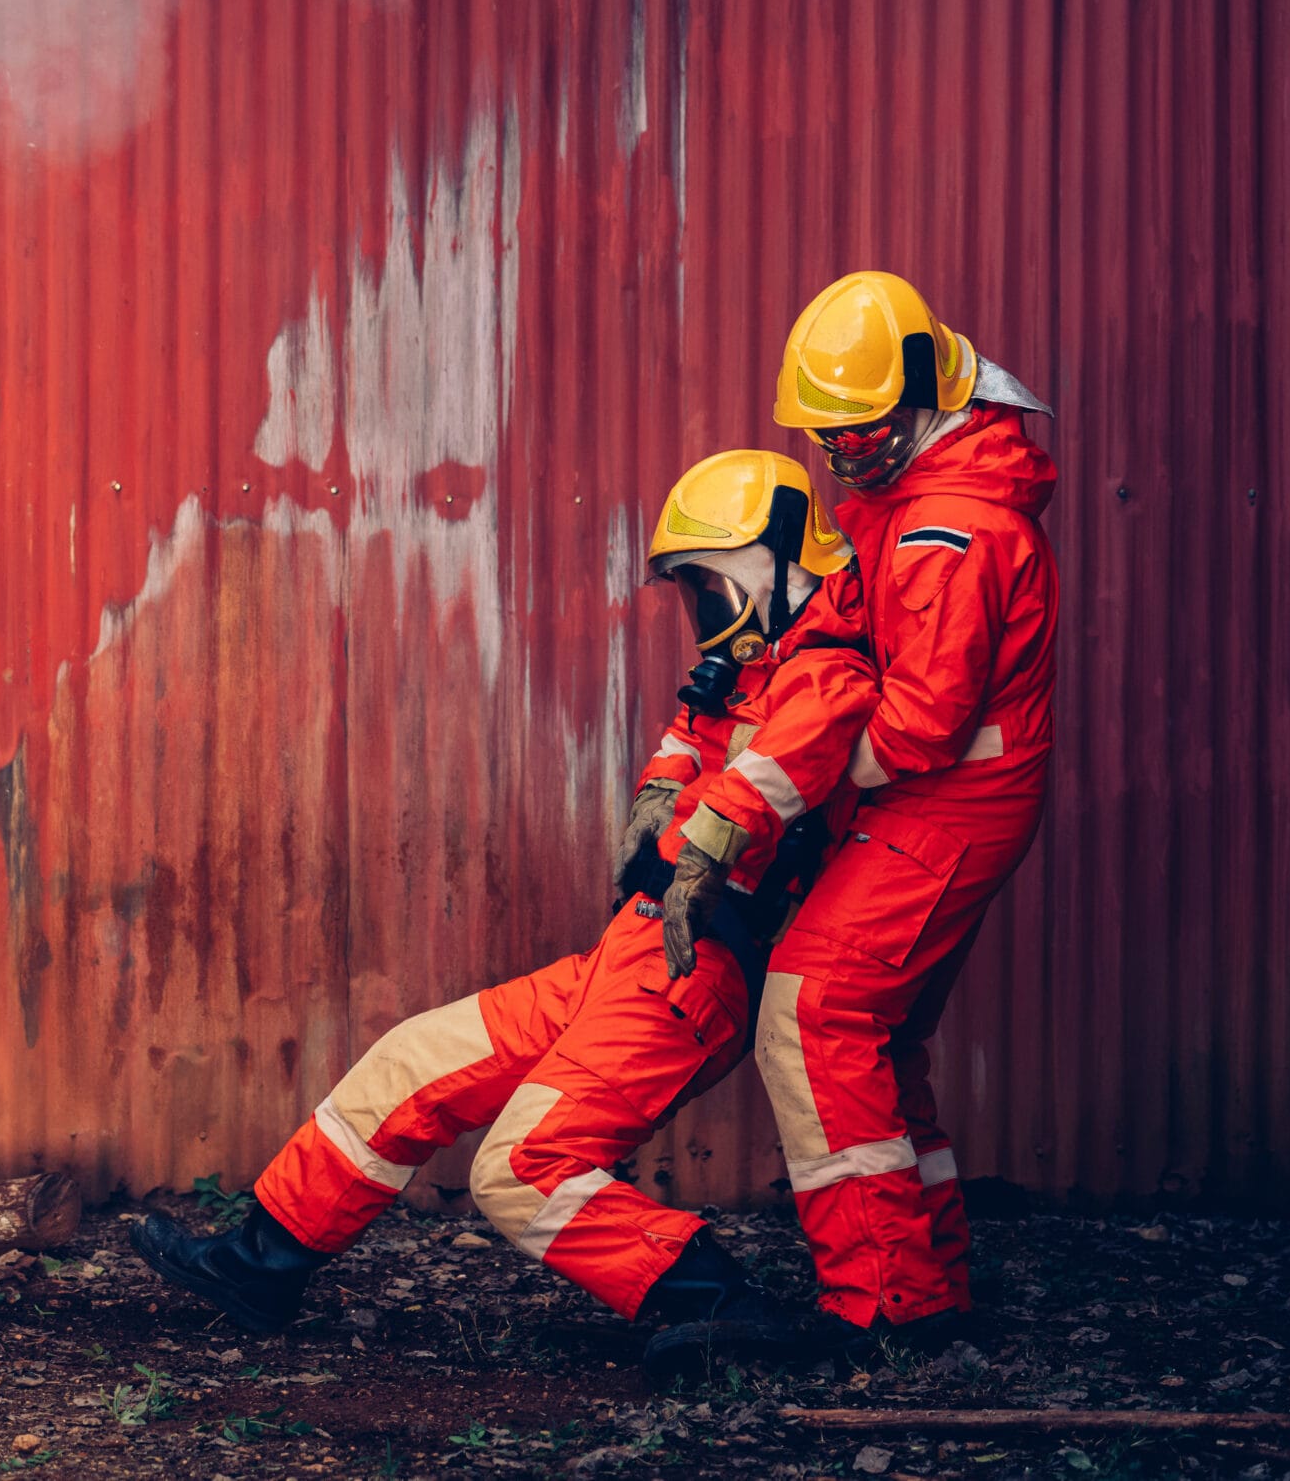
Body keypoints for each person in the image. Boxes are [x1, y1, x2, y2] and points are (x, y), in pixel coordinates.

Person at [130, 451, 877, 1381]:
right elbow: (696, 736)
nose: (704, 610)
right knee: (414, 1061)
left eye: (711, 585)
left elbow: (775, 776)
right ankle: (260, 1266)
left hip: (693, 971)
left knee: (522, 1168)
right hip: (631, 950)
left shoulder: (828, 673)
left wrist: (703, 849)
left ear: (777, 564)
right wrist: (658, 791)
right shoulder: (754, 675)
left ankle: (723, 1309)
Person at [669, 271, 1056, 1361]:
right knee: (876, 1036)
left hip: (944, 805)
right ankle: (925, 1288)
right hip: (935, 804)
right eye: (828, 433)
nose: (845, 450)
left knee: (810, 1014)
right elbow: (835, 634)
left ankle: (888, 1306)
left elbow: (919, 724)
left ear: (929, 390)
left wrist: (799, 784)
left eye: (867, 428)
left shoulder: (949, 530)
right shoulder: (906, 497)